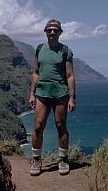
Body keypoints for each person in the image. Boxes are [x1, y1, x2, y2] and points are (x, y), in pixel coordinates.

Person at [28, 19, 76, 176]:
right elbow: (36, 72)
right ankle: (36, 160)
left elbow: (69, 75)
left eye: (56, 30)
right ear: (45, 31)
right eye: (50, 30)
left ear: (60, 32)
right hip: (42, 93)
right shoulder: (40, 49)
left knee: (60, 125)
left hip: (60, 93)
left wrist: (71, 97)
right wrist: (32, 94)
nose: (52, 32)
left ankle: (63, 159)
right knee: (38, 126)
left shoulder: (65, 51)